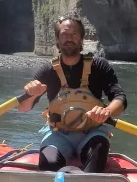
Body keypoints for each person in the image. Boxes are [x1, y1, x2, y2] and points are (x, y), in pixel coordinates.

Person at [17, 15, 127, 173]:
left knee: (98, 151)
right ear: (57, 39)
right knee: (48, 162)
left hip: (92, 132)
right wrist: (32, 94)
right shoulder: (46, 71)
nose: (69, 38)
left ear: (81, 38)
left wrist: (107, 111)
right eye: (64, 34)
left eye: (74, 34)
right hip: (58, 134)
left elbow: (120, 98)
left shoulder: (99, 66)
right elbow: (22, 108)